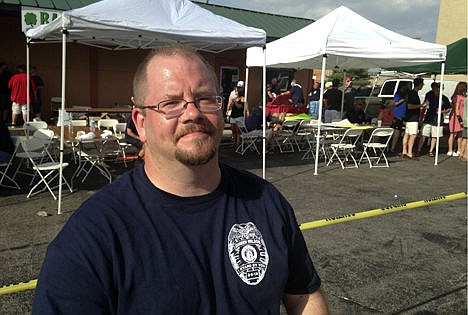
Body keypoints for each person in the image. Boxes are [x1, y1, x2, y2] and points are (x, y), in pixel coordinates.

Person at [32, 45, 328, 314]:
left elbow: (304, 297)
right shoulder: (92, 237)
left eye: (205, 99)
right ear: (140, 123)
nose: (192, 113)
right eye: (171, 103)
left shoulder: (265, 201)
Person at [416, 82, 451, 157]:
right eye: (436, 88)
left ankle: (431, 151)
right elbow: (425, 104)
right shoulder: (429, 95)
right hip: (429, 118)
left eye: (439, 88)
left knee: (435, 136)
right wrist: (422, 114)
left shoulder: (444, 98)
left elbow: (448, 109)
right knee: (423, 135)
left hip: (438, 119)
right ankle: (418, 150)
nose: (437, 90)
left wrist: (442, 111)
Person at [401, 78, 427, 160]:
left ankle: (404, 151)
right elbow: (409, 106)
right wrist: (421, 105)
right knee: (413, 135)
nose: (422, 86)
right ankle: (409, 152)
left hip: (409, 117)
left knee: (407, 134)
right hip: (412, 118)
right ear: (419, 85)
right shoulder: (413, 94)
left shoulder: (411, 93)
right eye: (422, 84)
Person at [447, 81, 467, 157]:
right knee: (453, 133)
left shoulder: (463, 97)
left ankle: (459, 150)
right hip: (456, 117)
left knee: (460, 134)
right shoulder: (457, 97)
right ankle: (450, 150)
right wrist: (460, 119)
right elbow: (456, 108)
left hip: (462, 117)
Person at [390, 83, 409, 153]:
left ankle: (399, 147)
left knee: (403, 131)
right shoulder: (398, 94)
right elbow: (396, 103)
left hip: (404, 115)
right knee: (396, 132)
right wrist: (403, 99)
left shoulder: (405, 93)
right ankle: (392, 148)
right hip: (397, 115)